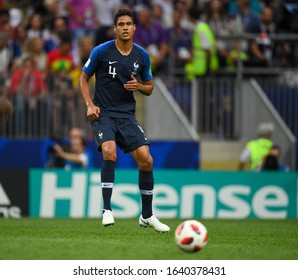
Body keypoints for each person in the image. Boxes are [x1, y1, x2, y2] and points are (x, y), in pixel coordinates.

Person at [79, 8, 170, 232]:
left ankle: (147, 215)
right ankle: (107, 210)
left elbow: (149, 88)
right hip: (104, 114)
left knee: (146, 160)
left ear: (134, 27)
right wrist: (90, 104)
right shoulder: (101, 51)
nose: (125, 27)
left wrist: (138, 86)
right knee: (110, 152)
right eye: (121, 24)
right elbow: (83, 77)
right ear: (115, 28)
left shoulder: (142, 56)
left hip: (127, 115)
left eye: (129, 24)